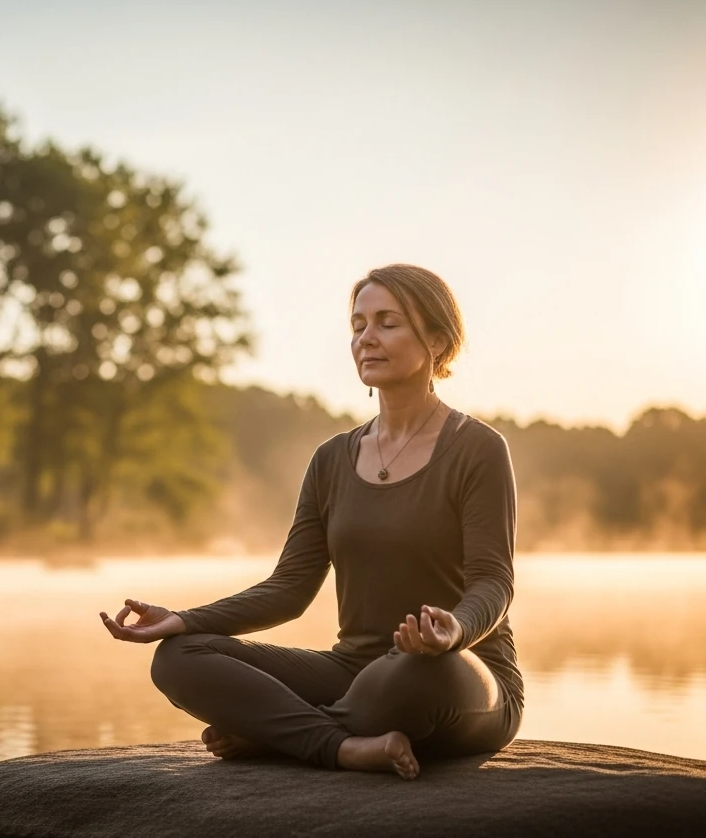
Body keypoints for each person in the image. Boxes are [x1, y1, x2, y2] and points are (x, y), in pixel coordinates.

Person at [99, 264, 521, 780]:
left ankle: (277, 736)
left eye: (387, 323)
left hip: (458, 672)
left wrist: (454, 629)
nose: (366, 338)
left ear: (437, 339)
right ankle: (344, 747)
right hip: (354, 671)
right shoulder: (331, 459)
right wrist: (185, 620)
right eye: (358, 325)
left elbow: (493, 582)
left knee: (408, 675)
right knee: (179, 657)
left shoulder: (478, 449)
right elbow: (289, 588)